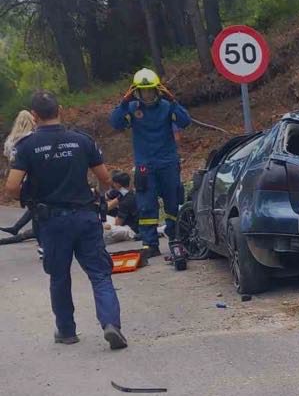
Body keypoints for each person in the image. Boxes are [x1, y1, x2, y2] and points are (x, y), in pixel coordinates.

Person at [4, 91, 127, 349]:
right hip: (85, 216)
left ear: (34, 116)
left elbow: (12, 187)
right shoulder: (82, 140)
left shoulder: (26, 146)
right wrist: (97, 194)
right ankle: (110, 323)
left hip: (52, 221)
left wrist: (31, 196)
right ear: (60, 110)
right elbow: (105, 179)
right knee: (100, 274)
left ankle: (67, 331)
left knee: (59, 276)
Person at [109, 68, 191, 258]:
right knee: (146, 205)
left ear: (157, 90)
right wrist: (124, 103)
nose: (147, 95)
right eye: (143, 91)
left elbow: (185, 121)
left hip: (168, 162)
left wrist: (173, 101)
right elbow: (115, 123)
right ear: (136, 91)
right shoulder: (132, 108)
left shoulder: (167, 106)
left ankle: (176, 238)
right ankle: (150, 243)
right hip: (145, 165)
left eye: (150, 91)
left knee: (173, 202)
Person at [1, 110, 36, 237]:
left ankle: (17, 227)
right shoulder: (33, 137)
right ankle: (34, 230)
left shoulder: (11, 139)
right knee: (37, 204)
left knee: (33, 204)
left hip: (17, 173)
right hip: (32, 173)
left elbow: (7, 154)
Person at [103, 171, 139, 245]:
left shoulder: (126, 201)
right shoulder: (127, 193)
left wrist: (108, 225)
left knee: (108, 231)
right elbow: (110, 205)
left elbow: (118, 223)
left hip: (131, 229)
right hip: (128, 223)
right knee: (101, 218)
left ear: (117, 184)